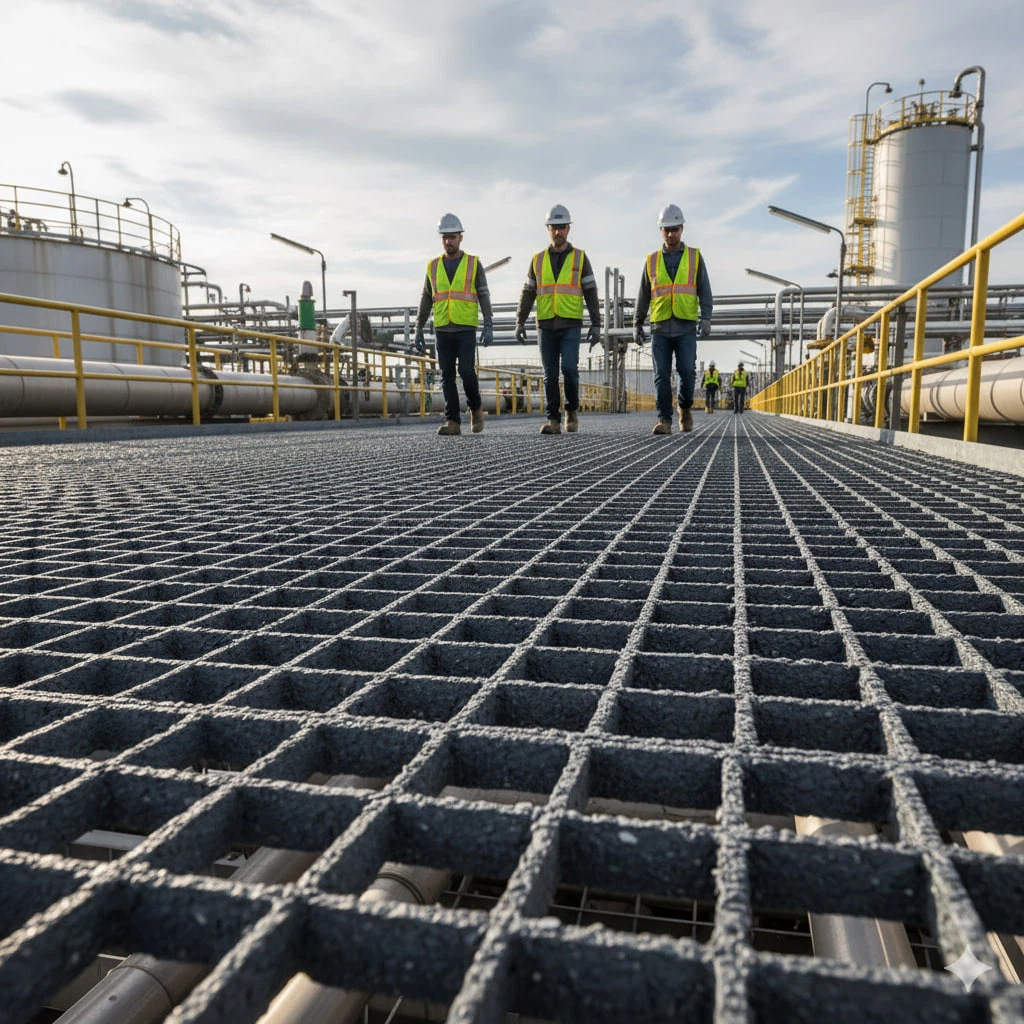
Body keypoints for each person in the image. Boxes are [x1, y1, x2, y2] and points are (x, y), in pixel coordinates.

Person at [514, 204, 601, 434]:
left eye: (562, 227)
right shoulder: (538, 259)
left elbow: (591, 291)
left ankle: (571, 411)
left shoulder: (580, 258)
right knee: (549, 374)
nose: (558, 232)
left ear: (568, 229)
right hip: (545, 324)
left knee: (570, 370)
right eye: (554, 227)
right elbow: (528, 292)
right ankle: (553, 419)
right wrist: (520, 321)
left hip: (571, 323)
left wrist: (596, 323)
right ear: (548, 229)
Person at [633, 204, 713, 435]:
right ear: (661, 230)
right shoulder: (651, 260)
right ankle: (664, 419)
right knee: (661, 376)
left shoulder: (694, 257)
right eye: (667, 229)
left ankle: (685, 409)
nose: (671, 234)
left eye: (675, 229)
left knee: (687, 372)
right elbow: (643, 293)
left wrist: (706, 317)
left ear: (682, 228)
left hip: (686, 325)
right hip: (659, 326)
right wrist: (637, 323)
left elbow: (704, 290)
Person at [415, 213, 493, 436]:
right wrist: (418, 328)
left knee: (466, 370)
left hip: (466, 327)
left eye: (452, 237)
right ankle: (453, 421)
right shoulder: (433, 266)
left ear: (460, 238)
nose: (448, 242)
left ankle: (475, 408)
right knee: (446, 374)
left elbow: (484, 294)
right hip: (442, 327)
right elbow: (426, 297)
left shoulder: (472, 263)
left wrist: (488, 325)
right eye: (444, 238)